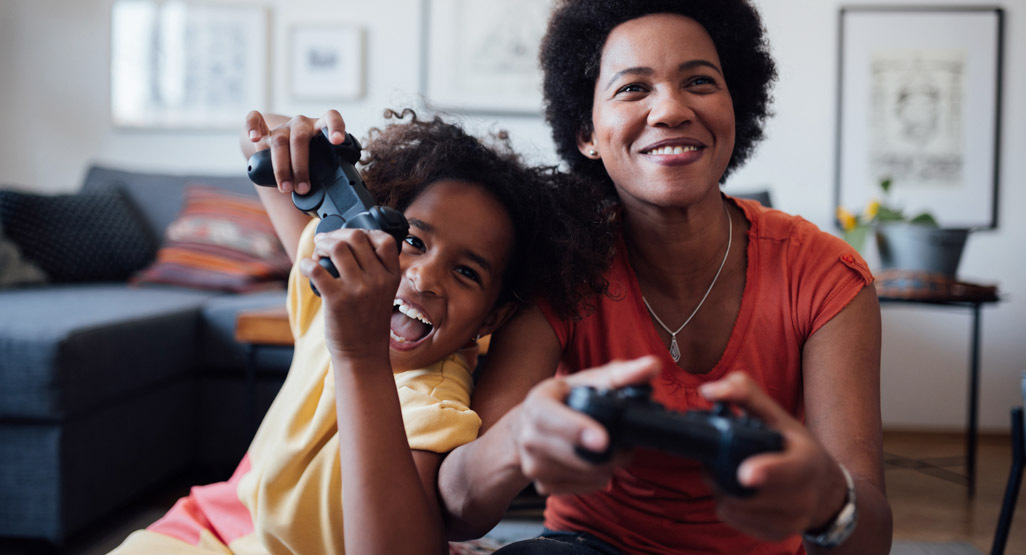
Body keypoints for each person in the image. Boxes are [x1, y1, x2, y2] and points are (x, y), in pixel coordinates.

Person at [436, 1, 894, 554]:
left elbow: (870, 538)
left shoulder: (825, 276)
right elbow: (461, 509)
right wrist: (515, 437)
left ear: (735, 106)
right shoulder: (562, 267)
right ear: (586, 131)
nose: (672, 110)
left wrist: (827, 498)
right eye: (633, 89)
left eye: (699, 81)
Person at [109, 108, 605, 554]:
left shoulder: (432, 406)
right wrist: (299, 145)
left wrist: (358, 353)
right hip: (199, 531)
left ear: (491, 319)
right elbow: (258, 146)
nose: (425, 276)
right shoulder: (335, 287)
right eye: (412, 240)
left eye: (466, 272)